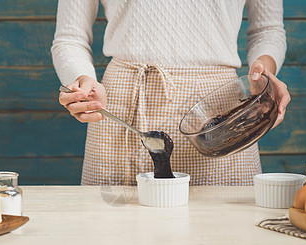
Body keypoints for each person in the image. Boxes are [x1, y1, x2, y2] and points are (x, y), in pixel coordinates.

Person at [52, 0, 290, 186]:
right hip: (123, 104)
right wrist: (82, 80)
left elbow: (267, 31)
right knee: (112, 239)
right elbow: (70, 37)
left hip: (220, 113)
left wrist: (265, 72)